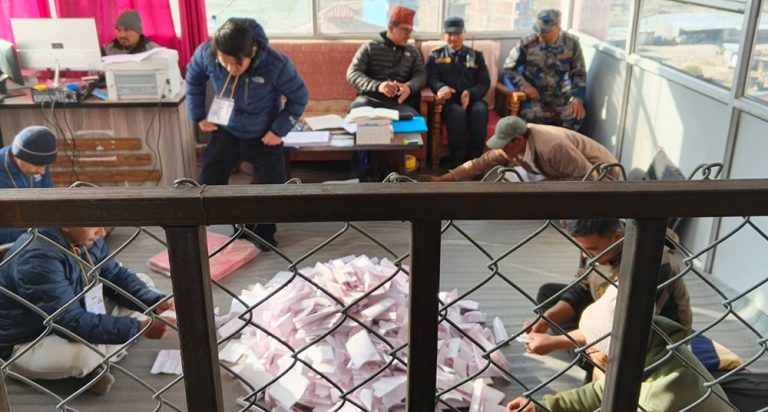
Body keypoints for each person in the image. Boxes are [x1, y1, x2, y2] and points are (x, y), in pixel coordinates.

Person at [0, 227, 174, 395]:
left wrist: (156, 302)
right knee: (86, 357)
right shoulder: (36, 259)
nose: (102, 232)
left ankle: (102, 352)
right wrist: (139, 328)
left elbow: (115, 276)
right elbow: (69, 322)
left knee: (145, 284)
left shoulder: (86, 238)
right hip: (29, 340)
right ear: (66, 225)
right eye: (94, 225)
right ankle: (101, 355)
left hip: (77, 309)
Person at [186, 18, 308, 250]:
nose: (231, 69)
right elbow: (193, 79)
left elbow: (299, 97)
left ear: (252, 51)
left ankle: (263, 234)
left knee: (273, 188)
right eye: (225, 63)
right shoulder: (206, 53)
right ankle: (229, 231)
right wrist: (198, 116)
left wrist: (278, 130)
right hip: (226, 129)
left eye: (237, 64)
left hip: (264, 133)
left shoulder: (276, 64)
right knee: (208, 183)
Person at [506, 286, 732, 412]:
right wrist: (542, 407)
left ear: (610, 354)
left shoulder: (659, 399)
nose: (585, 351)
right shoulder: (652, 349)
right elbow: (599, 392)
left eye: (590, 347)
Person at [522, 219, 691, 383]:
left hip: (649, 333)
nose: (585, 255)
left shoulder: (651, 261)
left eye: (591, 249)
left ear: (617, 236)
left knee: (600, 351)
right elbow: (582, 288)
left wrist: (556, 342)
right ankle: (587, 352)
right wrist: (546, 320)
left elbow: (625, 326)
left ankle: (594, 363)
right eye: (581, 249)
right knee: (548, 294)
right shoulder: (594, 243)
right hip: (605, 303)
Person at [425, 116, 617, 182]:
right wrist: (443, 179)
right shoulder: (517, 143)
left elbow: (588, 178)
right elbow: (480, 163)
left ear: (517, 140)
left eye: (503, 145)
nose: (501, 150)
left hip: (602, 176)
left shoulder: (553, 147)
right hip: (558, 169)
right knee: (508, 180)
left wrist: (547, 185)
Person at [502, 9, 587, 131]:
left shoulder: (572, 44)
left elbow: (579, 74)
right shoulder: (527, 44)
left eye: (545, 31)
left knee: (576, 115)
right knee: (533, 116)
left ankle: (563, 143)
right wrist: (525, 86)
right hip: (535, 98)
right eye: (538, 30)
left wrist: (577, 99)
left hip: (561, 97)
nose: (540, 34)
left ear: (558, 28)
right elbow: (509, 68)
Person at [426, 16, 491, 167]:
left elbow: (484, 83)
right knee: (457, 114)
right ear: (444, 35)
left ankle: (476, 162)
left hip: (473, 99)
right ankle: (458, 163)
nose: (454, 38)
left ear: (464, 33)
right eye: (450, 34)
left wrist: (470, 93)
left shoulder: (476, 55)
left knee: (480, 111)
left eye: (457, 34)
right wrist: (441, 87)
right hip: (449, 102)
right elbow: (431, 78)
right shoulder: (436, 55)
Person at [346, 6, 427, 116]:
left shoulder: (412, 51)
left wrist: (409, 87)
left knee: (414, 122)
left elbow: (421, 75)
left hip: (400, 103)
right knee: (358, 119)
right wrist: (378, 86)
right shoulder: (370, 47)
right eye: (405, 30)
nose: (409, 35)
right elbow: (352, 73)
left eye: (411, 31)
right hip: (369, 100)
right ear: (390, 28)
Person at [0, 126, 57, 244]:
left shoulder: (39, 163)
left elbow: (47, 203)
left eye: (45, 165)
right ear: (18, 155)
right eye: (38, 165)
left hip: (37, 233)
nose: (42, 171)